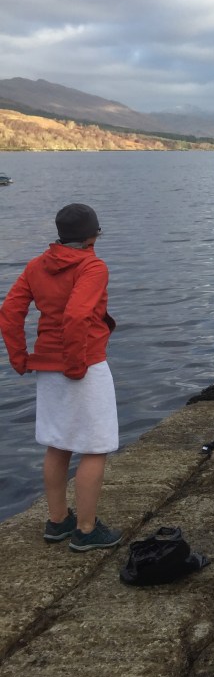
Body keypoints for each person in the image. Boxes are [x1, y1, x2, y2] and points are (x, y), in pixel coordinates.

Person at [0, 203, 122, 550]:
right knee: (96, 448)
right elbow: (77, 315)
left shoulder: (36, 265)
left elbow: (9, 312)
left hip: (47, 367)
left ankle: (57, 521)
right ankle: (86, 530)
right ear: (92, 234)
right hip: (83, 364)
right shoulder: (92, 267)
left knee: (58, 443)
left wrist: (20, 357)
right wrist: (75, 363)